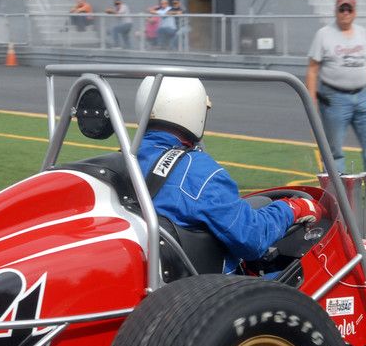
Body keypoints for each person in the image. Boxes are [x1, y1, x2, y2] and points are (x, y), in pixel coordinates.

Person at [134, 76, 320, 273]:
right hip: (210, 290)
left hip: (157, 277)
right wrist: (293, 208)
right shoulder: (197, 171)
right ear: (191, 110)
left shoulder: (122, 160)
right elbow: (252, 239)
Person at [305, 0, 366, 173]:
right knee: (334, 151)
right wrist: (311, 99)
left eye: (349, 9)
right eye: (342, 9)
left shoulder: (363, 33)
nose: (345, 12)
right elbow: (312, 69)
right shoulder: (324, 34)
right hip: (334, 98)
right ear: (336, 11)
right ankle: (336, 192)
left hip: (362, 96)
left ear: (355, 12)